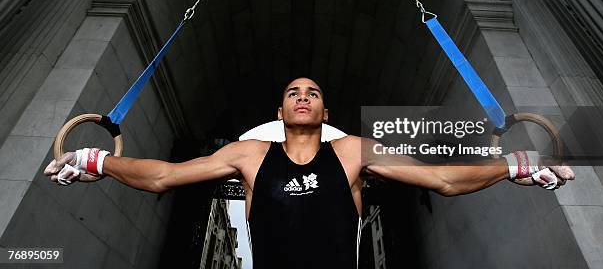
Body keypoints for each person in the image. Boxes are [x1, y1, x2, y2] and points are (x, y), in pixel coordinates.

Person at [44, 77, 575, 269]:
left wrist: (511, 165)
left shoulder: (355, 152)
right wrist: (95, 159)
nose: (303, 98)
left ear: (326, 110)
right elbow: (162, 175)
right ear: (280, 112)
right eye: (293, 93)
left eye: (313, 93)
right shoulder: (248, 155)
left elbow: (442, 179)